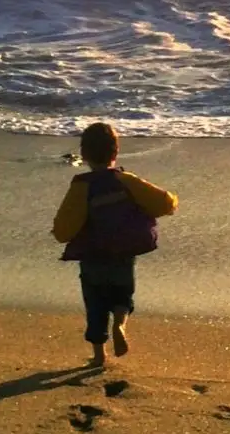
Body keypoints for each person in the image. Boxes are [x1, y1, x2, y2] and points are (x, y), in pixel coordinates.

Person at [52, 121, 178, 369]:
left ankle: (99, 356)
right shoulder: (125, 180)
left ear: (85, 154)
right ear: (115, 152)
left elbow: (63, 230)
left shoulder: (81, 186)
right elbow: (165, 203)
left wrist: (60, 233)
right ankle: (120, 325)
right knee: (122, 296)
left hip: (92, 259)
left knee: (96, 304)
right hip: (123, 255)